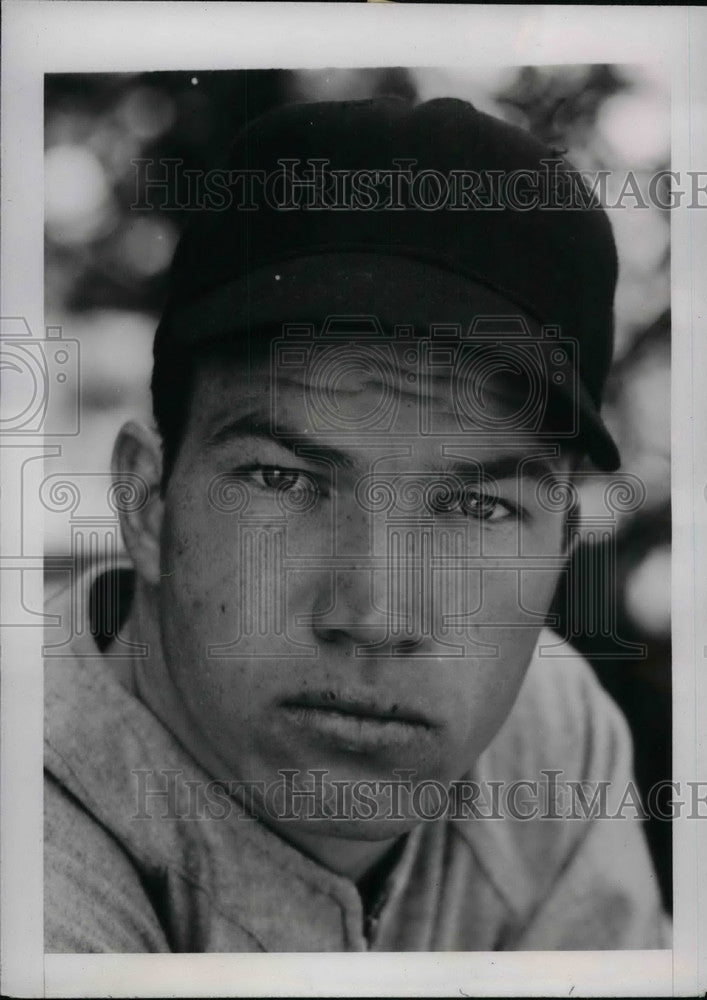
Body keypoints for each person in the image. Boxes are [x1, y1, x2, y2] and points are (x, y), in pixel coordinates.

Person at [45, 95, 669, 952]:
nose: (375, 614)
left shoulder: (546, 735)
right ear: (148, 503)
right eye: (283, 478)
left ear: (559, 551)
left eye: (478, 506)